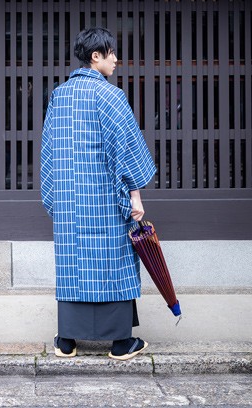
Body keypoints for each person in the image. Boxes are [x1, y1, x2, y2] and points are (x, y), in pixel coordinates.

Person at [40, 27, 156, 361]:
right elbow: (127, 149)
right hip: (105, 198)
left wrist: (56, 195)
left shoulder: (58, 95)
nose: (116, 60)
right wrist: (135, 195)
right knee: (113, 262)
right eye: (111, 53)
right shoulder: (111, 97)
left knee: (74, 262)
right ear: (96, 56)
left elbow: (49, 151)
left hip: (69, 200)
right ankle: (120, 343)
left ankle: (67, 340)